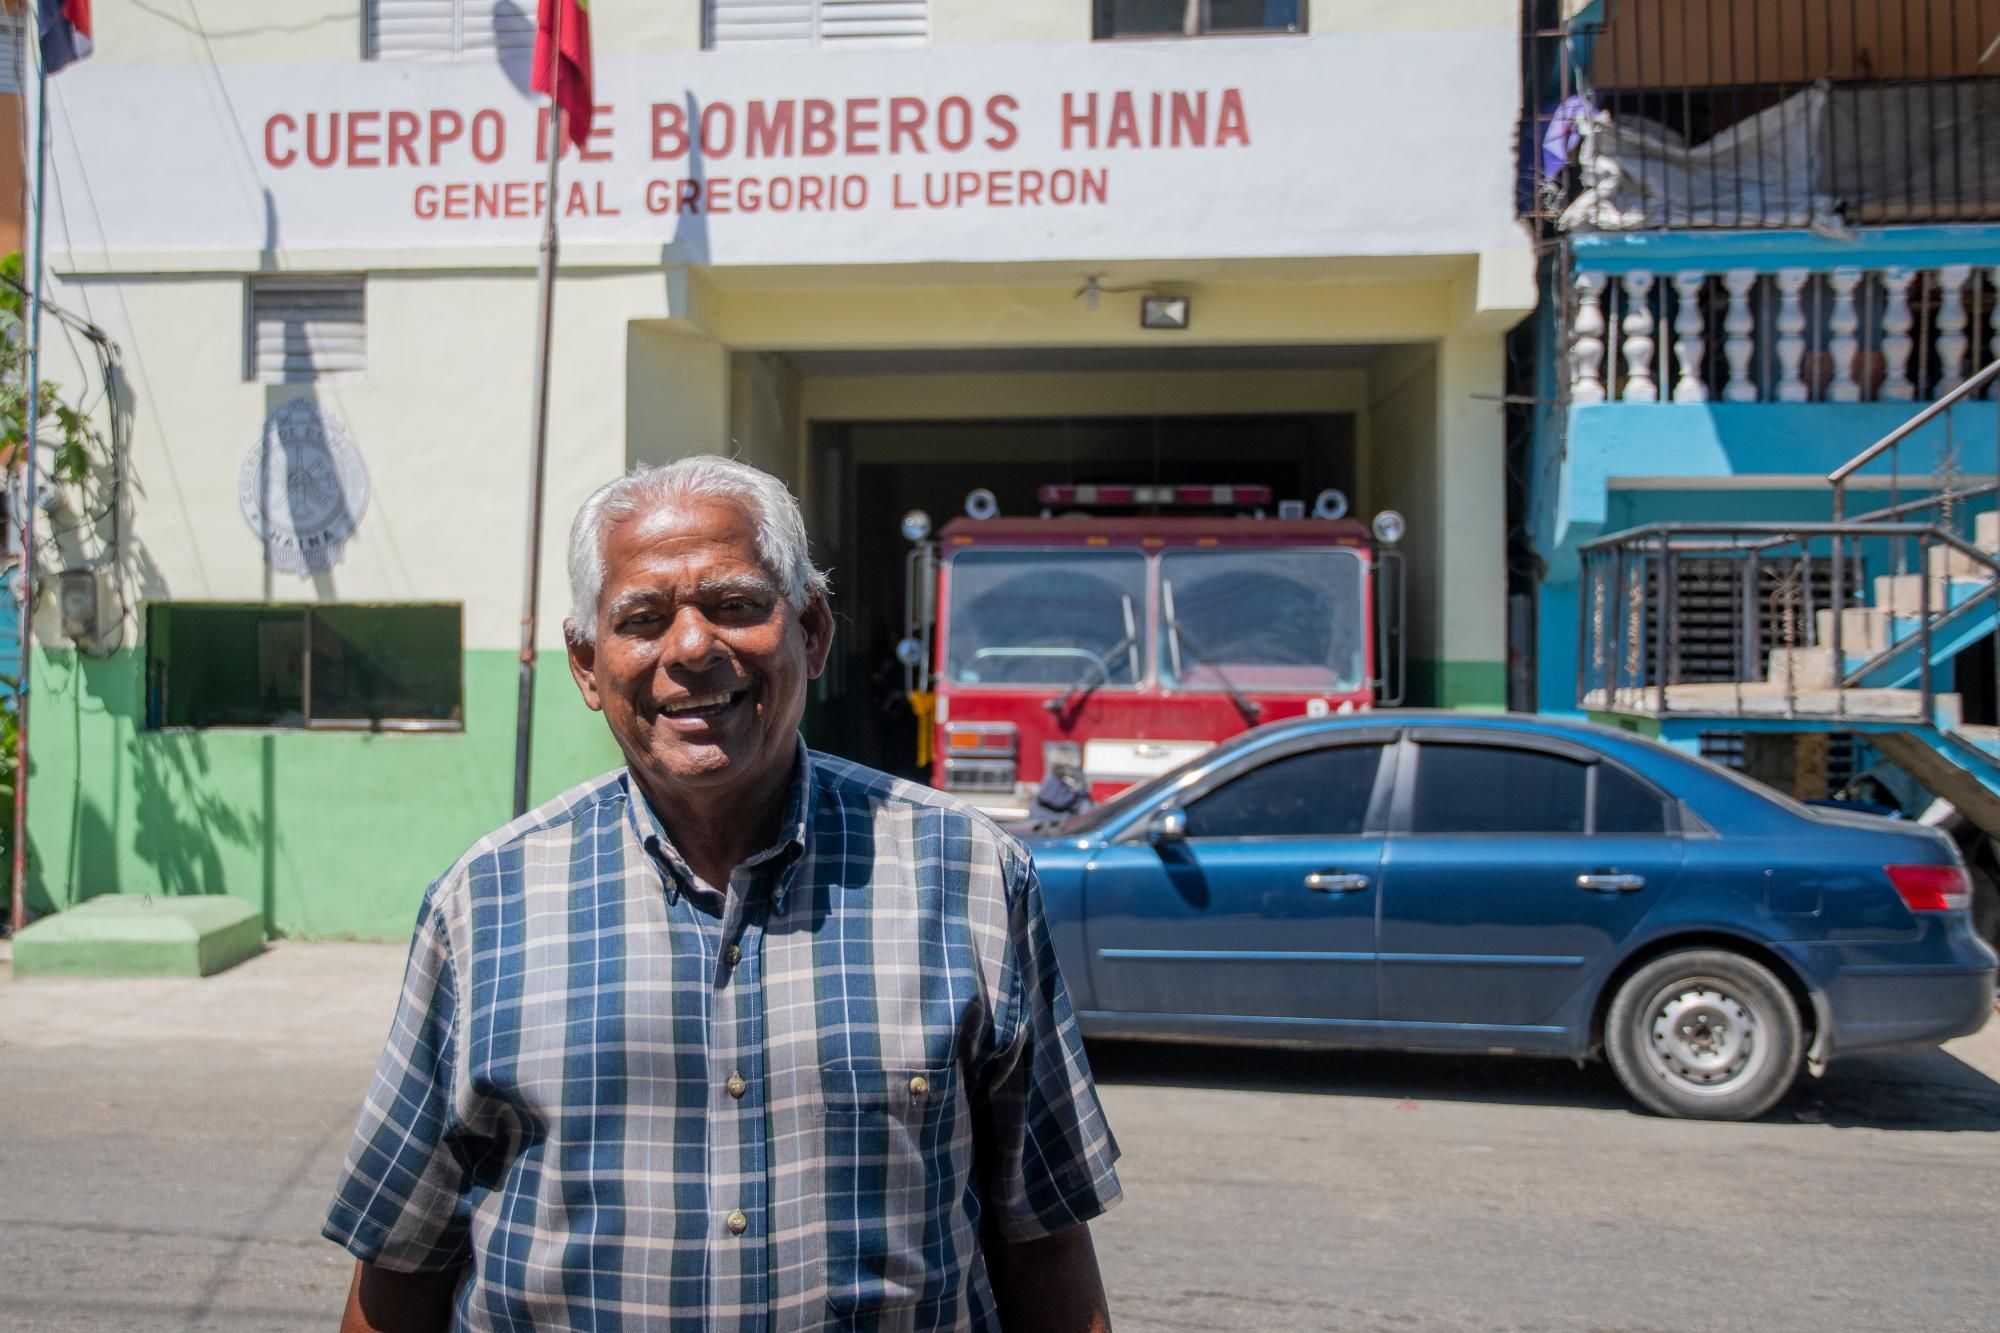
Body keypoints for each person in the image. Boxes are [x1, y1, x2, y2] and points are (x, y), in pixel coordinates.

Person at [324, 456, 1121, 1332]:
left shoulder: (968, 876)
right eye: (644, 618)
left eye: (736, 604)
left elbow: (1043, 1240)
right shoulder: (483, 905)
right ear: (588, 667)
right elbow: (400, 1268)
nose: (694, 648)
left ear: (812, 632)